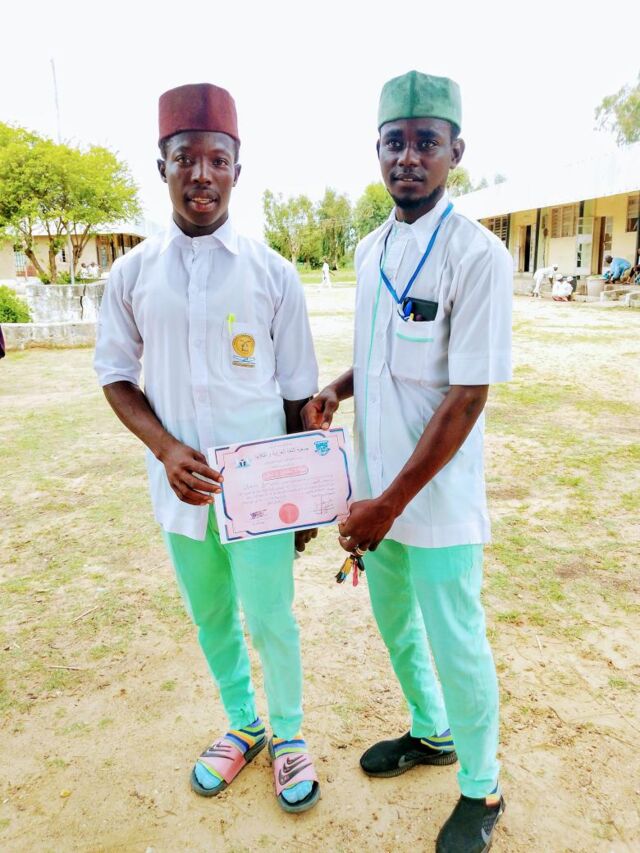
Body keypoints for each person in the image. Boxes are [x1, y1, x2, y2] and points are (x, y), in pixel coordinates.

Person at [94, 82, 321, 813]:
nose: (201, 175)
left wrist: (303, 503)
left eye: (217, 160)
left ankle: (289, 735)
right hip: (181, 491)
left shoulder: (272, 272)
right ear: (161, 165)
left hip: (261, 496)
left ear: (237, 170)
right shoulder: (132, 274)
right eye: (185, 158)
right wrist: (165, 448)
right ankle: (243, 724)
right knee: (212, 616)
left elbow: (298, 397)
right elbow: (115, 375)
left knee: (272, 618)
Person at [303, 70, 511, 852]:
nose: (409, 157)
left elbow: (467, 394)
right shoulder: (370, 249)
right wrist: (337, 386)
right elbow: (380, 354)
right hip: (373, 496)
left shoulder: (478, 255)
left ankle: (483, 785)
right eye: (396, 141)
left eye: (428, 141)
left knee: (457, 639)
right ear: (378, 150)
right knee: (396, 623)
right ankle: (432, 731)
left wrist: (389, 504)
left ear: (457, 151)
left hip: (433, 501)